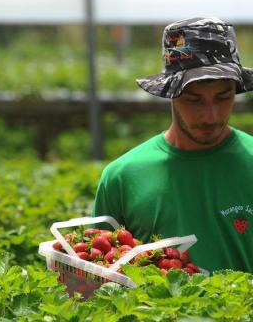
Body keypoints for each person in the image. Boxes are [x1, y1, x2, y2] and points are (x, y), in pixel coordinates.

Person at [92, 17, 253, 273]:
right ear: (171, 94)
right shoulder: (122, 177)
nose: (211, 115)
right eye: (194, 99)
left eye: (223, 97)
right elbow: (98, 276)